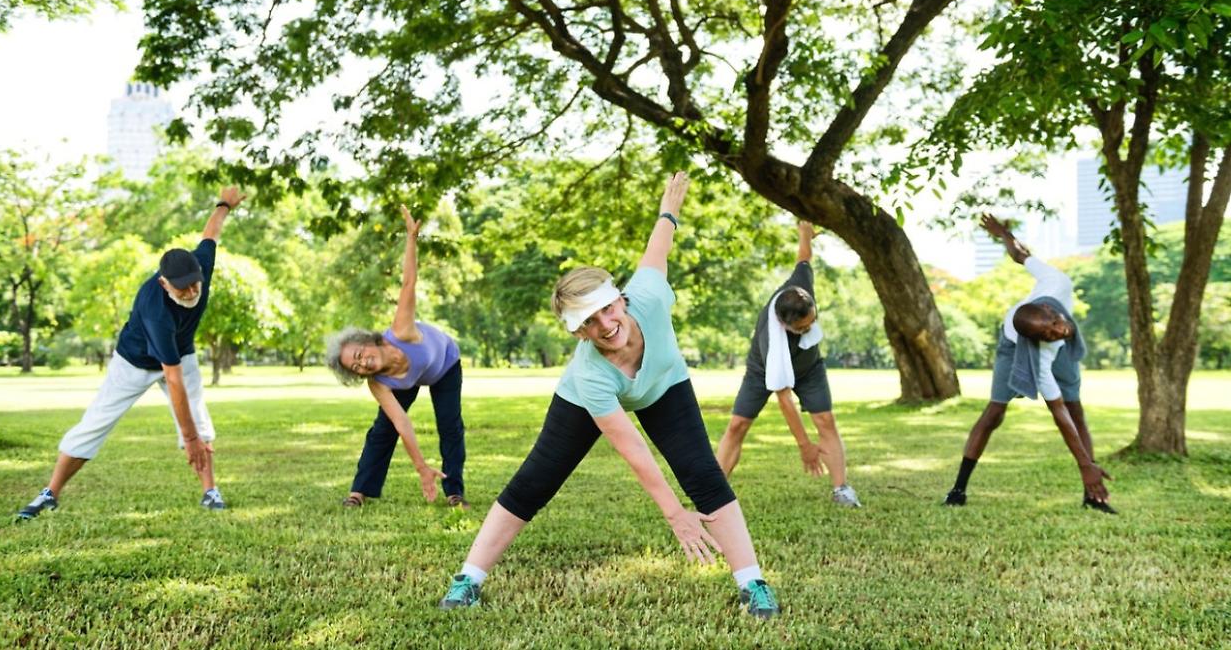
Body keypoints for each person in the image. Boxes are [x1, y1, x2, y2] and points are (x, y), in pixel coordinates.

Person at [437, 172, 780, 619]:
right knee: (534, 481)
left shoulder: (651, 298)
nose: (605, 325)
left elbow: (657, 251)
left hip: (665, 384)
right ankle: (469, 579)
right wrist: (675, 514)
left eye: (607, 309)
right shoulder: (590, 373)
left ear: (620, 299)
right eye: (589, 323)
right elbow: (632, 448)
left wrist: (669, 210)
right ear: (577, 332)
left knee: (704, 474)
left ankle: (752, 582)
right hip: (581, 402)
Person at [16, 187, 248, 520]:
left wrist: (224, 204)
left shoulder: (201, 266)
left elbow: (211, 232)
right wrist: (189, 437)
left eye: (195, 284)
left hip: (181, 352)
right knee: (95, 423)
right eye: (182, 287)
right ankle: (49, 493)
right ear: (163, 284)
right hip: (134, 361)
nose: (192, 291)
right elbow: (173, 378)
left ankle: (210, 492)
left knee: (202, 424)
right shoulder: (156, 311)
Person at [943, 214, 1114, 514]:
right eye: (1048, 334)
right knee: (995, 412)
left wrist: (1004, 234)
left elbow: (1021, 256)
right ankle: (958, 488)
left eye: (1054, 325)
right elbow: (1056, 412)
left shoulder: (1056, 282)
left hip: (1056, 348)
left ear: (1049, 308)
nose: (1058, 331)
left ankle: (1092, 495)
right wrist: (1084, 464)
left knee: (1077, 409)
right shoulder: (1040, 349)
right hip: (1012, 347)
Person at [325, 204, 467, 509]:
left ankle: (455, 492)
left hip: (444, 363)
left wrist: (411, 239)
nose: (362, 363)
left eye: (360, 354)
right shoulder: (378, 383)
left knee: (450, 424)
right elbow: (403, 423)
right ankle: (359, 492)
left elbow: (408, 283)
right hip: (407, 380)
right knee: (382, 431)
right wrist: (421, 468)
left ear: (370, 341)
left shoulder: (400, 331)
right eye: (356, 366)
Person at [716, 221, 861, 507]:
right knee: (737, 425)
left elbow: (804, 257)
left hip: (809, 368)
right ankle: (715, 495)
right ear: (786, 325)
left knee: (826, 420)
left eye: (812, 321)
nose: (811, 328)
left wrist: (805, 232)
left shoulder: (800, 287)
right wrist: (805, 446)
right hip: (761, 371)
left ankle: (841, 489)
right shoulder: (773, 341)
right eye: (804, 328)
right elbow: (784, 400)